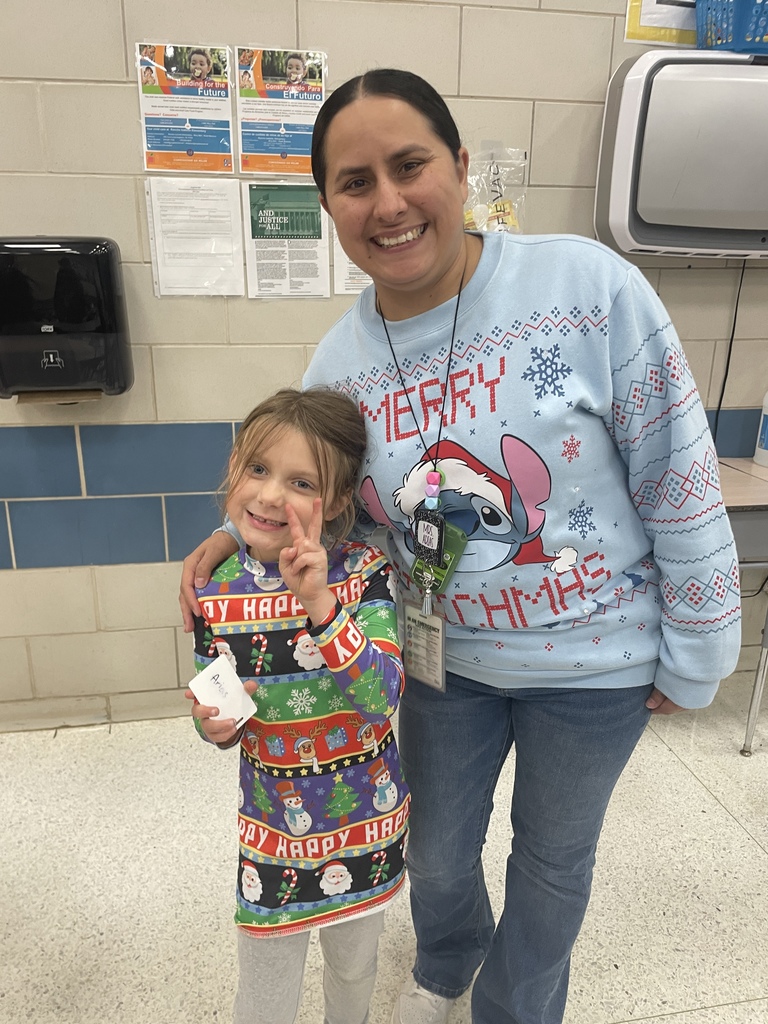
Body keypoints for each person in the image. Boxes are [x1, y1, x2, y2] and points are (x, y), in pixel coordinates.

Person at [180, 70, 741, 1024]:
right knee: (437, 853)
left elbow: (675, 469)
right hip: (442, 664)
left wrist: (701, 646)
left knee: (553, 861)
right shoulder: (340, 362)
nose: (389, 203)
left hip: (599, 662)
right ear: (328, 206)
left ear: (461, 166)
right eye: (356, 182)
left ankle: (513, 1009)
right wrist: (240, 531)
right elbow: (320, 489)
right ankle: (448, 957)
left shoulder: (588, 286)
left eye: (410, 166)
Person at [186, 387, 409, 1024]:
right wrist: (215, 727)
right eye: (257, 468)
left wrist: (321, 607)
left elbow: (382, 697)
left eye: (301, 482)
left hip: (365, 824)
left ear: (335, 502)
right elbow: (214, 702)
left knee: (353, 971)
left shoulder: (363, 574)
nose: (268, 495)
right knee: (263, 992)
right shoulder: (215, 591)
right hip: (272, 835)